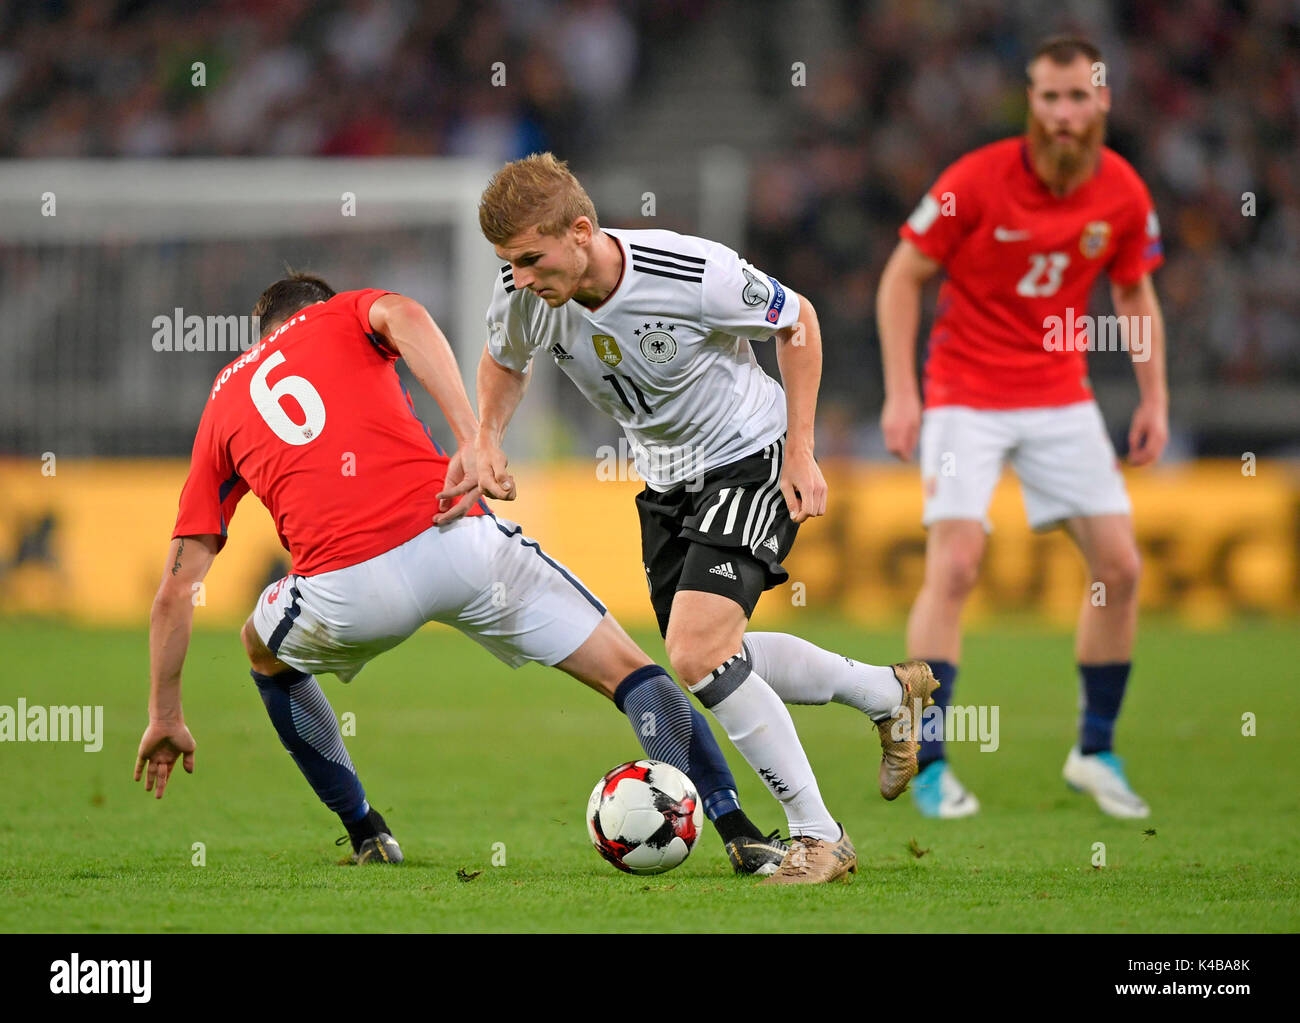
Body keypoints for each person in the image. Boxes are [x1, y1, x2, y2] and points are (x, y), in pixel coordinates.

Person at [133, 272, 789, 875]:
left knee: (259, 644)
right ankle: (738, 827)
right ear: (318, 307)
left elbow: (174, 590)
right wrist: (474, 436)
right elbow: (409, 314)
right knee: (631, 669)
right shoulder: (344, 313)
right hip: (457, 540)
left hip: (344, 594)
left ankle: (367, 831)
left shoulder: (225, 397)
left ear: (262, 333)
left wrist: (166, 712)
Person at [460, 153, 937, 885]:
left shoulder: (687, 271)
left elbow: (798, 320)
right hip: (665, 482)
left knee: (695, 650)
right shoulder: (524, 291)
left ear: (581, 231)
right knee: (713, 658)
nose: (519, 278)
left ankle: (819, 837)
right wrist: (486, 437)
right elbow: (505, 358)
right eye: (509, 264)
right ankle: (886, 692)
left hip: (750, 453)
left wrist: (802, 452)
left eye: (529, 259)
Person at [876, 35, 1167, 819]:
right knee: (959, 561)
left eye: (1079, 97)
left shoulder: (1122, 192)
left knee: (1122, 566)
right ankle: (928, 760)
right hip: (966, 393)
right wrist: (902, 394)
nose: (1064, 113)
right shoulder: (973, 180)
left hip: (1060, 395)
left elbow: (1134, 295)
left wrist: (1154, 397)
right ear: (1030, 103)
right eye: (1049, 97)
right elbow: (902, 277)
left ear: (1102, 100)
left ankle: (1095, 750)